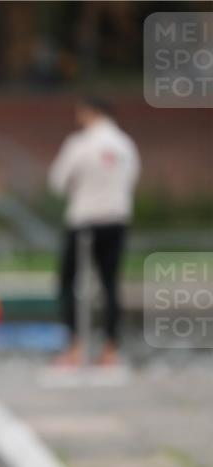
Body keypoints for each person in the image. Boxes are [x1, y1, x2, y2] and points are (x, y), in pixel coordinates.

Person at [48, 97, 140, 366]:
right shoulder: (125, 145)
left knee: (67, 282)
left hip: (84, 220)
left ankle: (75, 346)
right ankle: (111, 348)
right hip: (117, 219)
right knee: (110, 284)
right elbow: (132, 179)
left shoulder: (80, 144)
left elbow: (58, 182)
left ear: (90, 113)